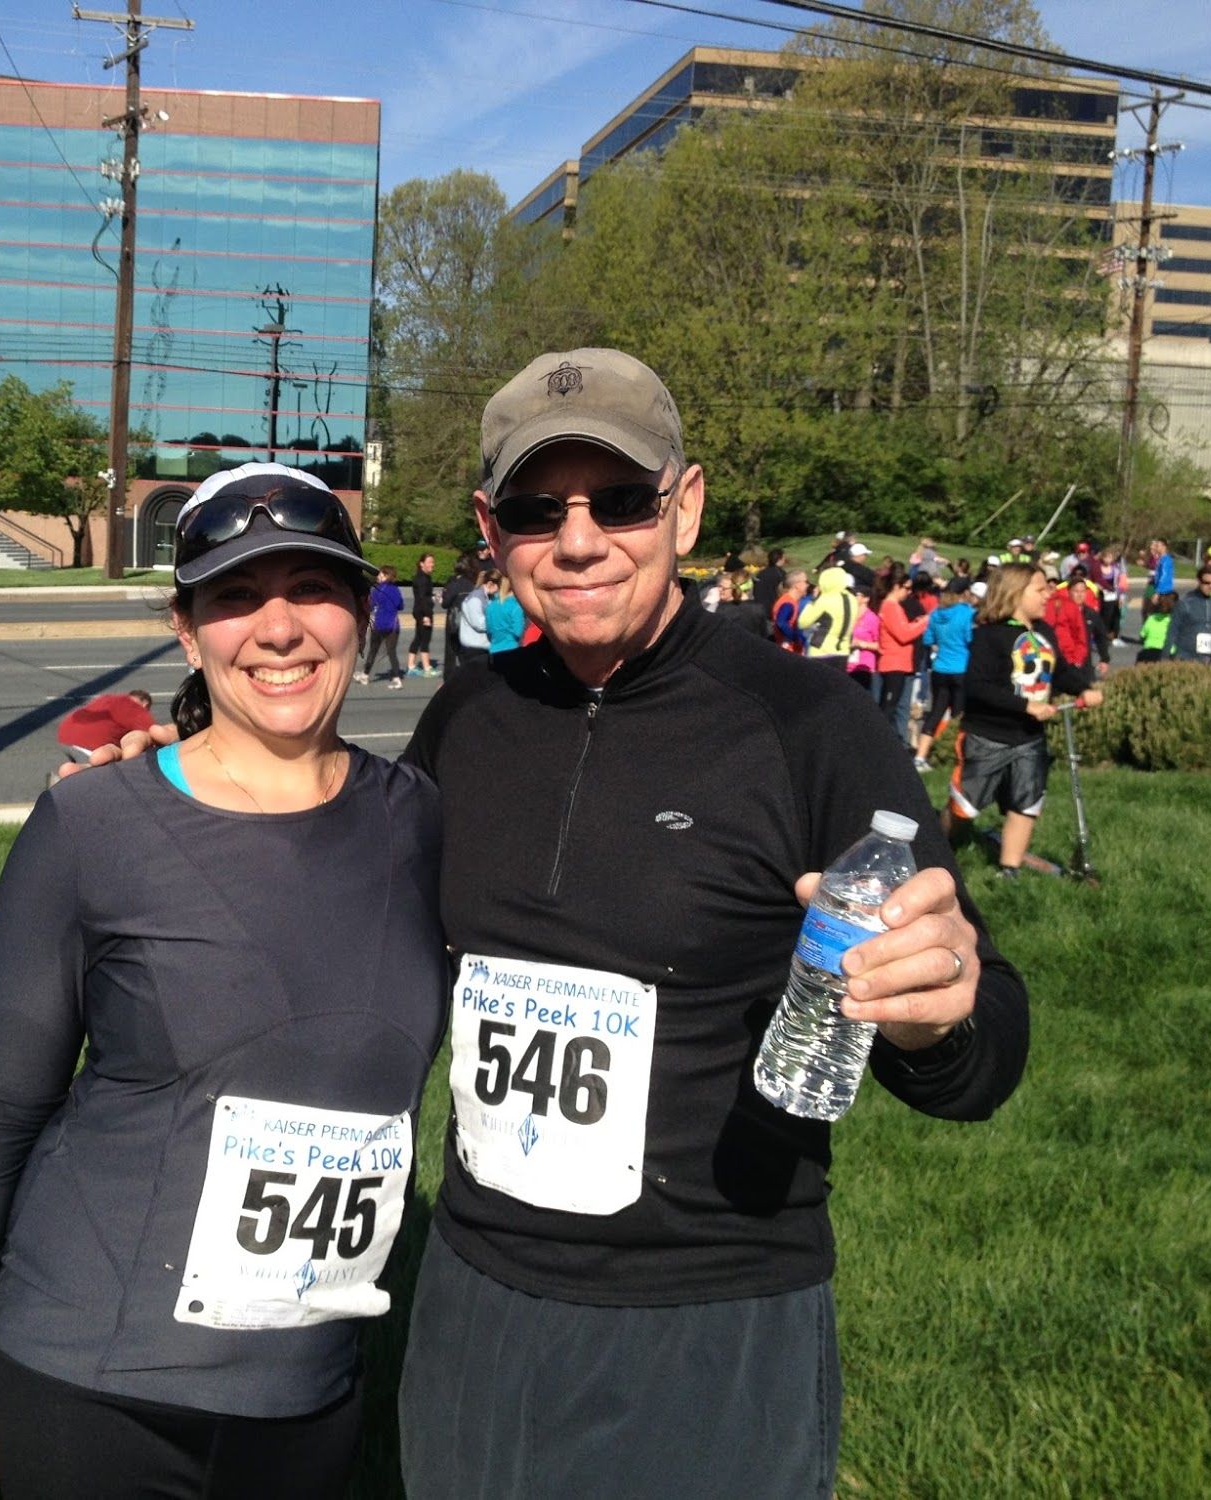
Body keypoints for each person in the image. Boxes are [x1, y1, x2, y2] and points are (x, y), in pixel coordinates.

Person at [396, 348, 1025, 1500]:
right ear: (492, 532)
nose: (578, 542)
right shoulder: (464, 720)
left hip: (709, 1311)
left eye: (620, 501)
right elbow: (346, 908)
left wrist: (937, 1016)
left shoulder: (807, 727)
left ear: (683, 506)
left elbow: (980, 1051)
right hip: (475, 1297)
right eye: (538, 510)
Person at [0, 463, 445, 1500]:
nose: (278, 629)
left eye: (311, 589)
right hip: (88, 1390)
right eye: (235, 597)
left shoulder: (418, 817)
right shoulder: (92, 825)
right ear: (187, 631)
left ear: (361, 604)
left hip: (310, 1396)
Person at [942, 563, 1102, 878]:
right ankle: (937, 842)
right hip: (987, 737)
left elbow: (1059, 672)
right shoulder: (990, 635)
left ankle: (1009, 869)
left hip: (1029, 738)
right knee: (965, 807)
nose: (1049, 595)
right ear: (1015, 593)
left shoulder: (1044, 632)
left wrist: (1084, 687)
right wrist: (1025, 705)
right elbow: (978, 687)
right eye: (1040, 589)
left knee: (1026, 802)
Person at [915, 577, 975, 770]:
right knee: (959, 715)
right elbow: (970, 638)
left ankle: (920, 757)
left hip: (940, 668)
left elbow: (928, 639)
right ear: (965, 593)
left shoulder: (936, 613)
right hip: (961, 668)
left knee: (936, 712)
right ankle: (955, 756)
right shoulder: (967, 613)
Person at [876, 573, 927, 737]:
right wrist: (925, 622)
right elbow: (903, 634)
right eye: (907, 588)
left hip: (899, 662)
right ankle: (878, 742)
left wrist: (916, 623)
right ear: (896, 586)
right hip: (894, 662)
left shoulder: (893, 606)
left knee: (892, 706)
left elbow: (902, 629)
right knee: (888, 708)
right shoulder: (891, 606)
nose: (909, 592)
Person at [55, 689, 156, 758]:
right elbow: (154, 734)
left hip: (64, 735)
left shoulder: (107, 698)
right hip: (88, 746)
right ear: (145, 704)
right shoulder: (137, 709)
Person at [797, 565, 860, 668]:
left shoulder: (825, 599)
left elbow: (802, 622)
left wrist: (813, 600)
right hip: (843, 651)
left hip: (821, 650)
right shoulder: (852, 599)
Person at [358, 565, 406, 687]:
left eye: (380, 574)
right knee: (392, 652)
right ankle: (396, 678)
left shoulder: (377, 590)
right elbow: (401, 606)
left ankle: (365, 675)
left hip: (379, 624)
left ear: (386, 575)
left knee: (373, 651)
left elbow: (371, 605)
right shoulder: (395, 590)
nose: (378, 576)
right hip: (393, 625)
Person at [1167, 563, 1211, 663]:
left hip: (1210, 661)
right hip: (1185, 659)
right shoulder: (1185, 603)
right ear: (1199, 581)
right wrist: (1164, 659)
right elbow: (1171, 633)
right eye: (1206, 583)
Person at [439, 553, 479, 675]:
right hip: (470, 621)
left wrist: (443, 597)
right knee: (467, 652)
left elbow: (445, 603)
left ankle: (449, 679)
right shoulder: (474, 584)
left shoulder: (454, 583)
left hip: (455, 622)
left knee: (451, 652)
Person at [454, 567, 493, 673]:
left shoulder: (485, 597)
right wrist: (497, 621)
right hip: (474, 647)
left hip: (481, 646)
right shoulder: (476, 598)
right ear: (490, 584)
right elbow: (479, 624)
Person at [406, 553, 438, 677]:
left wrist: (433, 597)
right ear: (422, 564)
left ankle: (411, 665)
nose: (432, 565)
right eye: (429, 562)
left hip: (421, 611)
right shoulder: (422, 579)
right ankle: (427, 667)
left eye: (433, 562)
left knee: (419, 638)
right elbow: (422, 598)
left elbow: (426, 596)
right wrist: (426, 616)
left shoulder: (425, 577)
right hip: (423, 612)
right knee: (425, 638)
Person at [848, 582, 882, 693]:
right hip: (847, 665)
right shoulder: (848, 615)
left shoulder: (872, 618)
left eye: (856, 594)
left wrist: (861, 644)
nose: (852, 596)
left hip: (863, 666)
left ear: (866, 599)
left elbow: (880, 644)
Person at [483, 570, 526, 654]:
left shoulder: (490, 606)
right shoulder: (516, 607)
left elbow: (489, 631)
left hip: (494, 650)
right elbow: (519, 632)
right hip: (512, 649)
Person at [771, 567, 810, 653]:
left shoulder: (791, 601)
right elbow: (781, 622)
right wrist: (796, 637)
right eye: (806, 582)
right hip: (789, 650)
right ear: (797, 585)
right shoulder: (788, 603)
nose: (808, 585)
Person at [752, 546, 789, 632]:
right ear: (779, 559)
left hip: (759, 608)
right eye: (783, 558)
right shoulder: (780, 574)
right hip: (772, 610)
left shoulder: (761, 574)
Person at [1137, 592, 1174, 663]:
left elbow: (1142, 636)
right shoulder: (1173, 621)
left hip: (1149, 651)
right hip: (1168, 653)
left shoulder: (1151, 619)